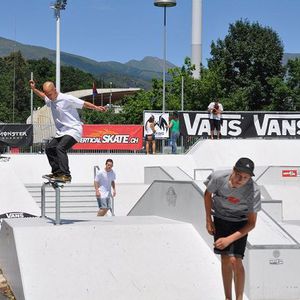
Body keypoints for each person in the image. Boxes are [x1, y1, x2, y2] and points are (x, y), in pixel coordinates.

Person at [204, 157, 261, 300]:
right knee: (225, 259)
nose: (241, 180)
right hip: (221, 218)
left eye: (245, 178)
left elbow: (252, 223)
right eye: (239, 175)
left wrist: (229, 240)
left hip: (240, 222)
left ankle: (239, 298)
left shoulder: (253, 190)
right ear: (233, 170)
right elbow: (207, 194)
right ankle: (228, 298)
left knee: (235, 260)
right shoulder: (219, 177)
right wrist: (208, 220)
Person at [29, 80, 106, 182]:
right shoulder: (49, 99)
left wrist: (96, 107)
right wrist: (34, 89)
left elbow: (83, 104)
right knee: (49, 148)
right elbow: (43, 96)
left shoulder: (66, 98)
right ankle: (57, 173)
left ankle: (66, 175)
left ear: (55, 90)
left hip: (74, 130)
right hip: (62, 132)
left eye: (50, 94)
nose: (49, 97)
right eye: (48, 95)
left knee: (60, 148)